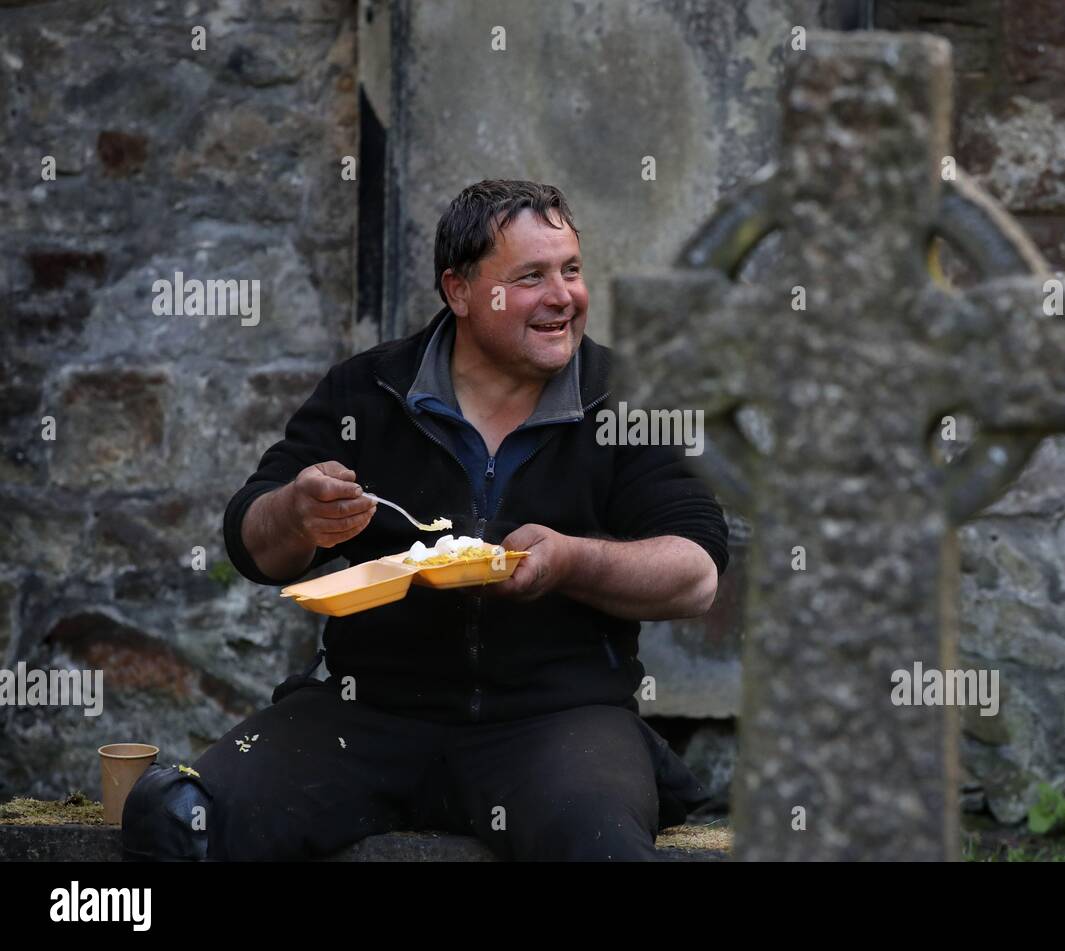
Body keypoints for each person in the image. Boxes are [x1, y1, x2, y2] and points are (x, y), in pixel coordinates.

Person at [122, 179, 730, 861]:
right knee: (174, 818)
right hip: (364, 712)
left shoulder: (626, 400)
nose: (563, 296)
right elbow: (252, 546)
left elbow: (697, 572)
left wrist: (570, 560)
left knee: (602, 847)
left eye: (571, 270)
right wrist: (298, 511)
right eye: (531, 277)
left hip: (561, 722)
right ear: (460, 290)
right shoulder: (370, 389)